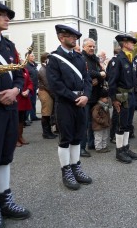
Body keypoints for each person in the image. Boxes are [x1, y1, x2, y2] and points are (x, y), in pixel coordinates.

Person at [0, 1, 30, 227]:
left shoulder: (8, 45)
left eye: (8, 15)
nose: (7, 18)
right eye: (2, 14)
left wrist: (15, 90)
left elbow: (19, 73)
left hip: (10, 108)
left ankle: (5, 198)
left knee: (6, 156)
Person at [47, 24, 92, 190]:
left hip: (82, 101)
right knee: (66, 138)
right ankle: (66, 171)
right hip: (66, 103)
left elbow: (87, 79)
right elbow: (55, 85)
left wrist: (86, 95)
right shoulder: (54, 58)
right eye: (71, 36)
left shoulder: (80, 58)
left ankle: (76, 167)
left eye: (75, 37)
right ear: (61, 37)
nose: (75, 39)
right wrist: (76, 97)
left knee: (78, 136)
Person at [107, 34, 137, 163]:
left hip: (130, 95)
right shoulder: (118, 60)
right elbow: (112, 82)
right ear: (124, 44)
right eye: (131, 42)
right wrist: (114, 100)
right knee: (121, 125)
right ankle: (119, 151)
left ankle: (126, 148)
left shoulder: (129, 58)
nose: (133, 44)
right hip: (121, 97)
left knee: (127, 124)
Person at [80, 38, 106, 157]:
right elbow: (85, 73)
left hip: (95, 94)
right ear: (84, 47)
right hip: (85, 95)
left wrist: (98, 76)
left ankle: (91, 143)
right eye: (89, 46)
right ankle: (81, 148)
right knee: (84, 123)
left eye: (93, 46)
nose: (91, 48)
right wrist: (95, 76)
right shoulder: (81, 58)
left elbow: (103, 72)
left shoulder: (95, 59)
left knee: (93, 121)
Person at [38, 52, 58, 139]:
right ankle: (46, 133)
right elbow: (47, 84)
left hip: (47, 91)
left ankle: (48, 131)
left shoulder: (46, 68)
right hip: (45, 92)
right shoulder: (43, 70)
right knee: (46, 113)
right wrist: (54, 95)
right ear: (45, 59)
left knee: (48, 112)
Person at [16, 66, 33, 147]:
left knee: (22, 119)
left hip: (24, 98)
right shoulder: (13, 70)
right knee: (15, 120)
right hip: (16, 98)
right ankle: (14, 139)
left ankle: (20, 136)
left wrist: (28, 90)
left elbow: (30, 82)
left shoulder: (25, 70)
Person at [25, 53, 40, 122]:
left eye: (34, 55)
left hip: (35, 87)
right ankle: (26, 119)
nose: (34, 57)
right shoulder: (26, 66)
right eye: (32, 56)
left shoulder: (34, 65)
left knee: (33, 102)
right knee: (29, 102)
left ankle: (33, 116)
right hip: (29, 87)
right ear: (27, 57)